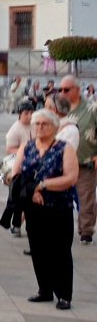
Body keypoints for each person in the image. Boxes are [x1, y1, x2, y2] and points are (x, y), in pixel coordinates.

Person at [10, 110, 79, 310]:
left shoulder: (64, 149)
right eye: (37, 124)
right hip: (34, 206)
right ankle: (44, 290)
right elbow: (16, 175)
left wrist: (42, 185)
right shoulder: (27, 146)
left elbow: (70, 178)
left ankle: (64, 294)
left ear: (55, 127)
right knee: (38, 249)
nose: (39, 127)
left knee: (60, 250)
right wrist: (32, 192)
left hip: (59, 207)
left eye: (44, 124)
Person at [57, 75, 96, 246]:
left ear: (78, 90)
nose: (62, 93)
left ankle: (86, 230)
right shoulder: (59, 109)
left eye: (66, 89)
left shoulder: (92, 109)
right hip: (61, 162)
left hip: (85, 161)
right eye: (61, 89)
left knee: (85, 197)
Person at [0, 102, 35, 236]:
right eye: (26, 113)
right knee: (18, 198)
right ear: (20, 114)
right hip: (19, 167)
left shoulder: (35, 126)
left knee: (28, 198)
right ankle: (16, 224)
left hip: (33, 166)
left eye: (31, 113)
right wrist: (25, 151)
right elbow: (9, 149)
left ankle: (23, 224)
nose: (29, 116)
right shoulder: (15, 129)